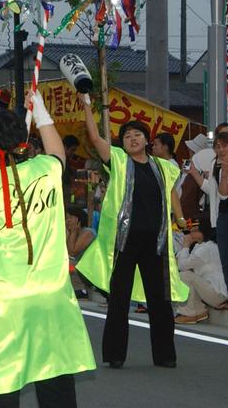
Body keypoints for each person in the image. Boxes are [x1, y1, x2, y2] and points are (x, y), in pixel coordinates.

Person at [0, 92, 95, 406]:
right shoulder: (45, 171)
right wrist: (41, 110)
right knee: (55, 374)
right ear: (24, 142)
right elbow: (57, 151)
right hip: (50, 292)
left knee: (3, 379)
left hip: (4, 299)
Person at [78, 96, 188, 368]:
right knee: (119, 300)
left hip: (156, 243)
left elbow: (172, 193)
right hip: (124, 242)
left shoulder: (162, 167)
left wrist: (182, 218)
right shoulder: (117, 160)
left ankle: (165, 357)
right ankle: (115, 355)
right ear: (122, 142)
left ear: (147, 140)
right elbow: (94, 138)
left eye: (137, 134)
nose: (132, 139)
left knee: (160, 303)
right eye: (127, 136)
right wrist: (88, 107)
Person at [187, 130, 228, 311]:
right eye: (217, 146)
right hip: (226, 214)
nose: (220, 149)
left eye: (225, 144)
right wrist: (197, 173)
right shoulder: (216, 163)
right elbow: (221, 192)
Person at [173, 227, 228, 324]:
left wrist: (185, 246)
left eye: (196, 230)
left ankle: (188, 313)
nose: (191, 232)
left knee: (185, 275)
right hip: (212, 290)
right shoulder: (200, 246)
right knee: (188, 276)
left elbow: (182, 266)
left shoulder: (207, 248)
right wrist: (185, 247)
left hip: (217, 293)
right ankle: (199, 311)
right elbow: (183, 262)